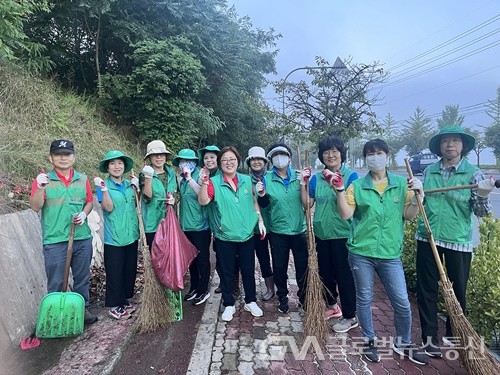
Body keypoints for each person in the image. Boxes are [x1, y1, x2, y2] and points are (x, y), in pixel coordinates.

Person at [332, 138, 428, 365]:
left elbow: (410, 215)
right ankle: (369, 340)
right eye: (370, 154)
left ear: (387, 155)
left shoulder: (401, 184)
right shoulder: (358, 186)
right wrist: (339, 191)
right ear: (366, 159)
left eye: (379, 153)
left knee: (402, 301)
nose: (375, 157)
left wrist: (418, 196)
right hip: (361, 253)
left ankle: (403, 342)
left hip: (390, 253)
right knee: (364, 298)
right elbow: (346, 214)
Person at [415, 125, 494, 358]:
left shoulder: (473, 174)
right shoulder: (430, 172)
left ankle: (453, 333)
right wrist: (417, 194)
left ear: (463, 146)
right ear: (440, 146)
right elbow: (421, 203)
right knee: (426, 290)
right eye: (445, 141)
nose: (450, 145)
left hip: (457, 240)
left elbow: (482, 213)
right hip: (427, 236)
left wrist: (482, 195)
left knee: (457, 289)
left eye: (455, 141)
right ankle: (429, 339)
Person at [30, 139, 98, 325]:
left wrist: (84, 214)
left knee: (82, 278)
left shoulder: (82, 179)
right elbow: (35, 206)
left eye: (67, 154)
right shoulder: (43, 180)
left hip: (81, 237)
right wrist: (40, 188)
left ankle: (82, 311)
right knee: (56, 281)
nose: (63, 158)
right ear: (51, 157)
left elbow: (89, 202)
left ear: (73, 157)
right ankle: (55, 316)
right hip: (55, 239)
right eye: (58, 155)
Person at [198, 146, 265, 322]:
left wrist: (259, 220)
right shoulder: (214, 182)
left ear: (238, 161)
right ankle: (229, 303)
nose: (229, 163)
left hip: (246, 235)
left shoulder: (246, 180)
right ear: (220, 164)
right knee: (227, 271)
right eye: (225, 160)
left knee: (248, 270)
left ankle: (250, 300)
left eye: (232, 159)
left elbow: (253, 201)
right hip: (224, 235)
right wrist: (204, 183)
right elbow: (204, 201)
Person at [303, 136, 358, 328]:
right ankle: (333, 306)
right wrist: (303, 184)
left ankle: (350, 315)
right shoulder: (316, 179)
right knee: (326, 273)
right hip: (322, 233)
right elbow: (307, 204)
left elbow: (353, 205)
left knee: (344, 275)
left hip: (344, 234)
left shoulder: (351, 176)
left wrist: (337, 186)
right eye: (326, 152)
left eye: (335, 151)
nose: (330, 155)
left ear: (342, 154)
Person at [257, 143, 309, 314]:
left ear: (289, 158)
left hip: (298, 230)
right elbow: (264, 204)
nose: (280, 159)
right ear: (271, 160)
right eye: (275, 156)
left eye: (283, 155)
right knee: (280, 267)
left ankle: (303, 298)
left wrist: (304, 184)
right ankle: (283, 298)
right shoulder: (267, 178)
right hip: (278, 231)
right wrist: (262, 194)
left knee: (303, 267)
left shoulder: (299, 177)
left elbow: (307, 202)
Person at [94, 150, 139, 320]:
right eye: (112, 164)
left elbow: (138, 204)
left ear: (124, 166)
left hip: (131, 234)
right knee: (115, 272)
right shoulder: (102, 186)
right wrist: (104, 190)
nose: (117, 166)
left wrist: (137, 188)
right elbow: (108, 208)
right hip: (115, 237)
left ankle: (124, 299)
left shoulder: (129, 185)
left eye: (120, 163)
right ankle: (114, 305)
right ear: (107, 167)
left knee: (129, 270)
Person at [173, 148, 211, 306]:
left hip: (201, 226)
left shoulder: (201, 176)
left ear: (195, 163)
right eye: (182, 161)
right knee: (191, 260)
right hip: (186, 226)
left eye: (188, 161)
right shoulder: (181, 179)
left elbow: (201, 195)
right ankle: (194, 287)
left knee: (202, 259)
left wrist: (190, 179)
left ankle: (203, 289)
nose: (184, 164)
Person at [245, 146, 274, 301]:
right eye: (253, 160)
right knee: (263, 257)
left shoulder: (272, 177)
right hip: (256, 227)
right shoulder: (245, 180)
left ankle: (280, 285)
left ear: (264, 161)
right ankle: (270, 287)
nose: (256, 162)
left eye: (259, 159)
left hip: (275, 225)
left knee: (279, 258)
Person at [140, 140, 177, 249]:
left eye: (161, 155)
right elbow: (146, 198)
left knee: (170, 255)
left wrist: (174, 199)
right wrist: (148, 178)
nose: (158, 158)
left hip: (170, 221)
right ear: (150, 158)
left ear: (165, 156)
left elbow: (177, 192)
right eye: (155, 155)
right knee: (155, 257)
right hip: (152, 223)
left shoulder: (171, 173)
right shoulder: (145, 173)